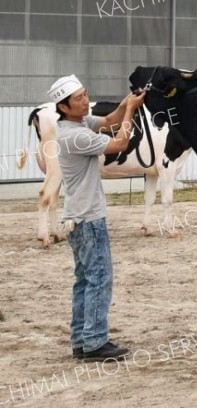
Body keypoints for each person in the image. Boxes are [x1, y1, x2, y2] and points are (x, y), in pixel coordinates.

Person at [47, 74, 146, 362]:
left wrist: (128, 102)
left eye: (85, 94)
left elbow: (109, 122)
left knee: (84, 280)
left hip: (78, 218)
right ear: (64, 107)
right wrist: (131, 111)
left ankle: (81, 339)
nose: (86, 100)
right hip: (88, 218)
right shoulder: (75, 135)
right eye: (79, 99)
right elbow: (119, 143)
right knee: (100, 278)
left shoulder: (75, 125)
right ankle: (94, 342)